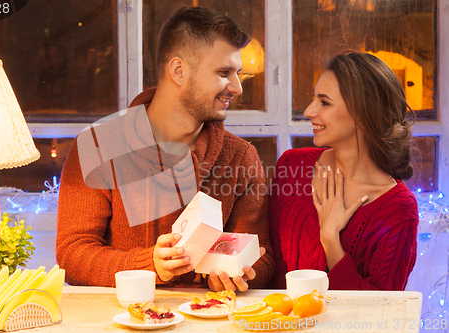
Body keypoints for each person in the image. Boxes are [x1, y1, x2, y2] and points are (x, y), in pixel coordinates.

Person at [56, 6, 275, 291]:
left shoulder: (242, 157)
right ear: (179, 71)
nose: (237, 88)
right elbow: (72, 255)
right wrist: (151, 265)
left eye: (238, 73)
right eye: (224, 73)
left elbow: (263, 257)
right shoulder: (98, 146)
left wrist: (240, 273)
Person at [268, 51, 418, 290]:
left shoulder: (397, 209)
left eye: (324, 102)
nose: (308, 111)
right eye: (313, 98)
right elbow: (266, 260)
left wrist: (330, 238)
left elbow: (380, 312)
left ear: (363, 115)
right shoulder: (292, 166)